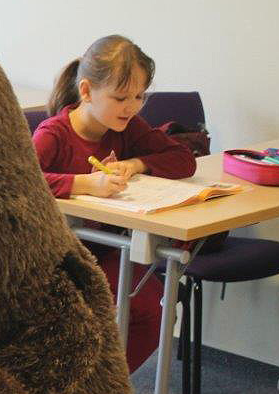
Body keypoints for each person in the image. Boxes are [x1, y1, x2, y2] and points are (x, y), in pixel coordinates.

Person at [33, 35, 196, 373]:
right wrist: (83, 183)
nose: (133, 107)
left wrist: (136, 164)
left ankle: (102, 389)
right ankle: (78, 389)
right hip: (58, 256)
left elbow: (183, 159)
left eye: (139, 96)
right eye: (121, 97)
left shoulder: (127, 127)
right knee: (94, 315)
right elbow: (18, 181)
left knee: (154, 311)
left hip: (108, 251)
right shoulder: (54, 134)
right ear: (87, 91)